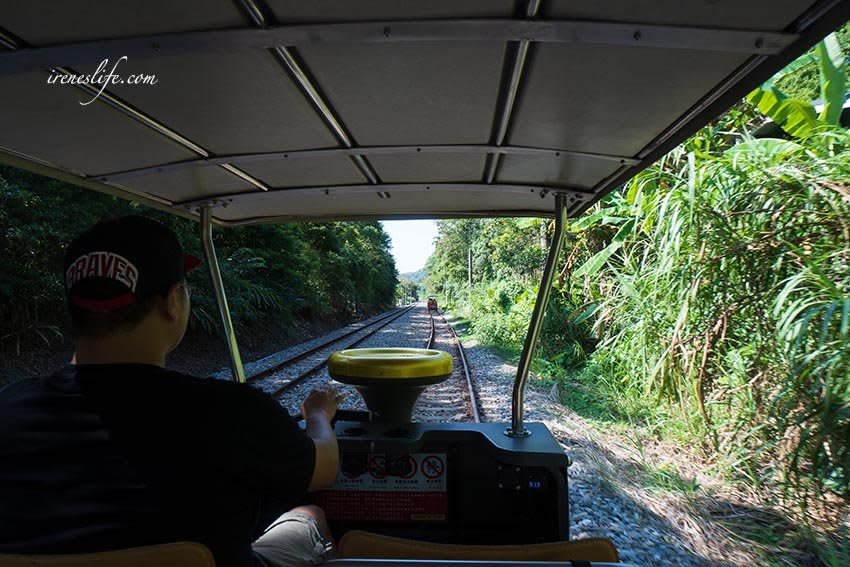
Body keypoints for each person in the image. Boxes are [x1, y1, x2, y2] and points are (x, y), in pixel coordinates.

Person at [0, 216, 343, 567]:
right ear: (173, 301)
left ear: (74, 307)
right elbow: (324, 468)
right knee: (308, 514)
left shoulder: (7, 410)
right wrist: (317, 413)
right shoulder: (231, 411)